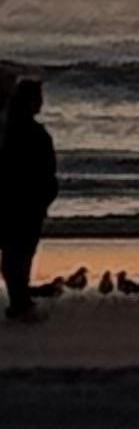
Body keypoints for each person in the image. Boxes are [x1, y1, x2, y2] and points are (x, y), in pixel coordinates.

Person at [1, 74, 57, 323]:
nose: (41, 103)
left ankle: (19, 301)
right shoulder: (31, 133)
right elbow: (43, 171)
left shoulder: (8, 129)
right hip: (24, 202)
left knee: (16, 255)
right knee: (19, 255)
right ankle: (19, 304)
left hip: (18, 200)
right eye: (38, 98)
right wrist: (44, 196)